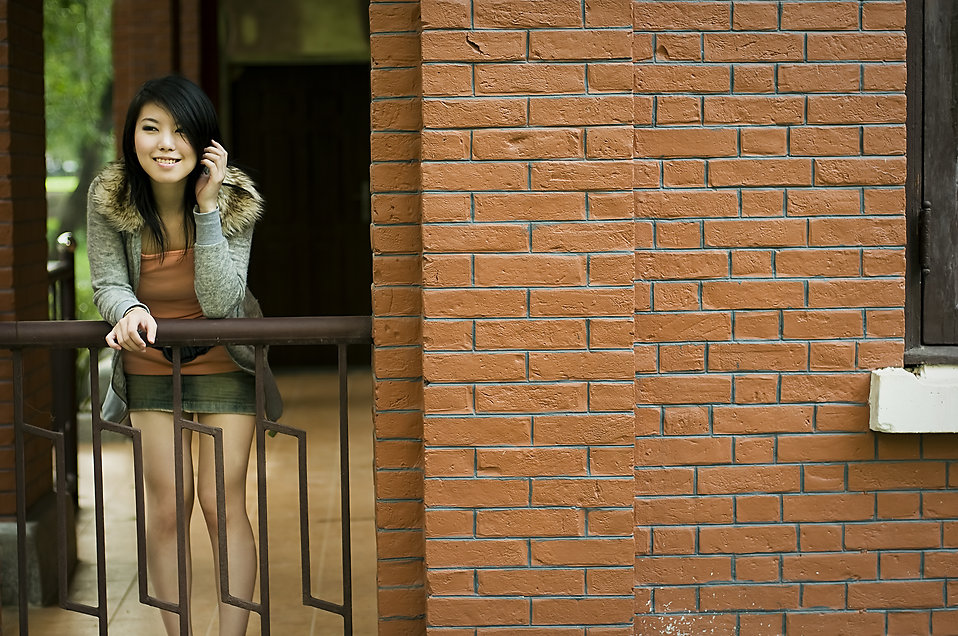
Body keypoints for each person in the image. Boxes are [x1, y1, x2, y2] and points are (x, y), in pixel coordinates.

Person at [87, 75, 281, 635]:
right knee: (168, 508)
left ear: (204, 144)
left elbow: (222, 303)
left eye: (180, 131)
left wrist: (207, 207)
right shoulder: (111, 199)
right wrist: (127, 310)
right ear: (132, 138)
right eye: (151, 129)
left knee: (223, 506)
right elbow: (107, 282)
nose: (165, 143)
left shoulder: (234, 202)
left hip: (225, 360)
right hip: (150, 364)